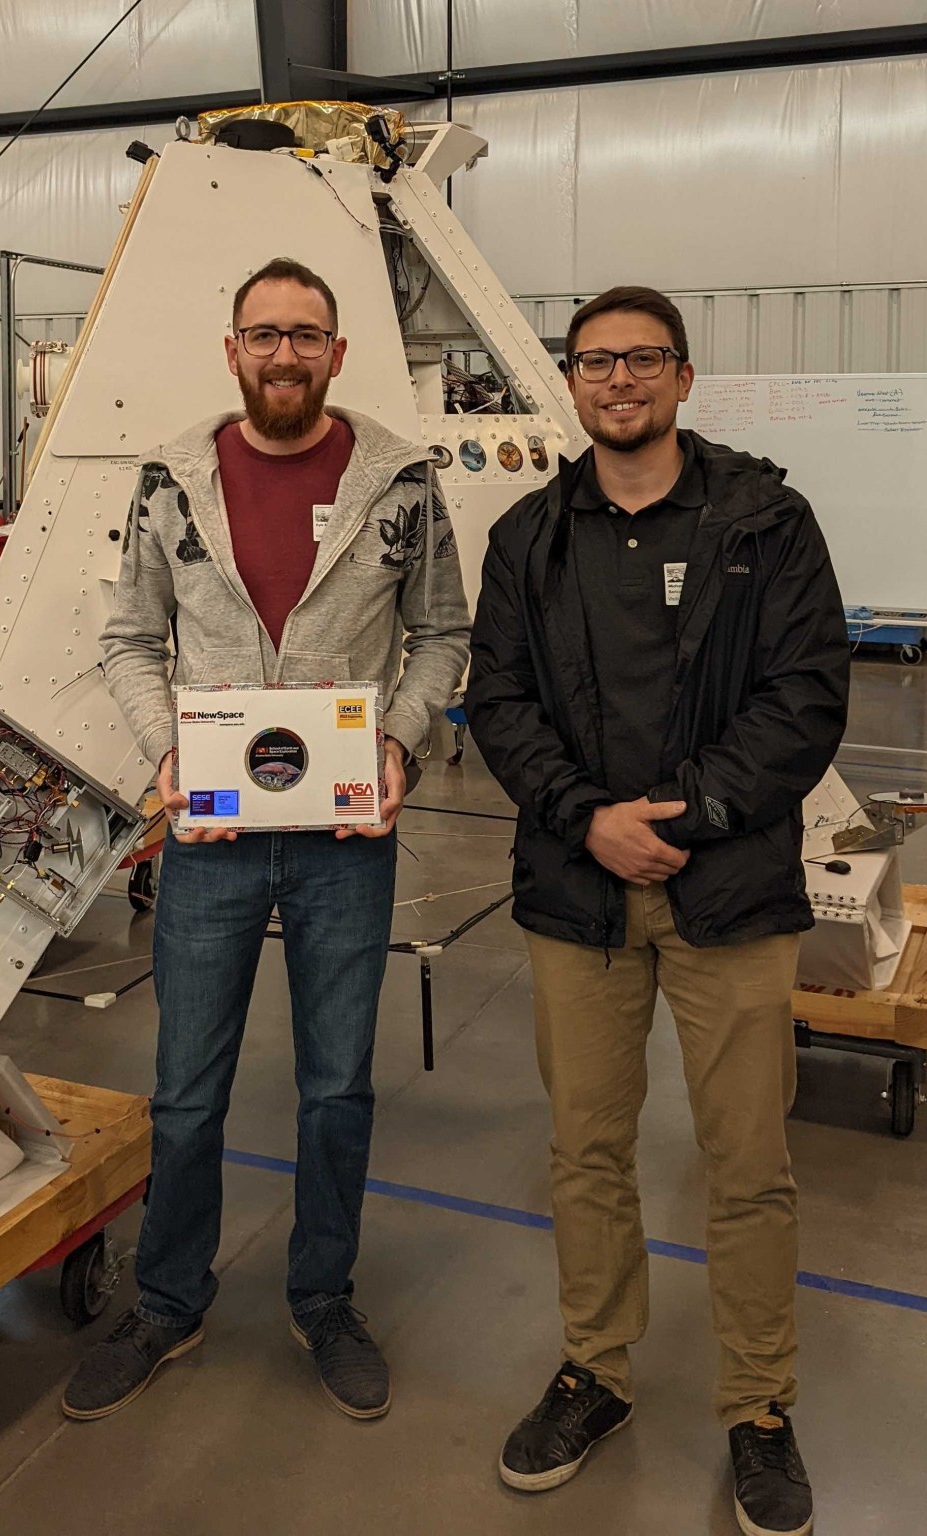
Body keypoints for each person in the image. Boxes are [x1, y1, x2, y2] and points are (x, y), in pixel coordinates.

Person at [464, 286, 847, 1536]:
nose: (616, 380)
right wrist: (587, 819)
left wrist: (679, 821)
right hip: (575, 893)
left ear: (681, 378)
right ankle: (597, 1372)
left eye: (640, 360)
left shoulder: (764, 521)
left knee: (746, 1163)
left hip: (727, 892)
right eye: (593, 362)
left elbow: (803, 697)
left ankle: (758, 1403)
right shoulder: (527, 537)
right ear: (569, 384)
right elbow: (500, 702)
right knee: (584, 1153)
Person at [63, 256, 470, 1423]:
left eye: (305, 334)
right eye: (262, 333)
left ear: (336, 354)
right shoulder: (170, 479)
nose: (282, 353)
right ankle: (166, 1302)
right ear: (230, 349)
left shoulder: (400, 482)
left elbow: (440, 632)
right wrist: (166, 749)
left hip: (346, 832)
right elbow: (131, 637)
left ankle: (322, 1295)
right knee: (185, 1093)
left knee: (336, 1086)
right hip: (215, 835)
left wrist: (397, 740)